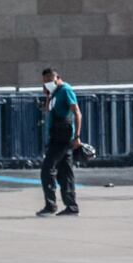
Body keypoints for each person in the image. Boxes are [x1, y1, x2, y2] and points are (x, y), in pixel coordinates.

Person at [37, 67, 82, 217]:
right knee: (65, 173)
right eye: (44, 81)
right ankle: (71, 206)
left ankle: (51, 206)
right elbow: (48, 110)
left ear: (57, 77)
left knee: (47, 169)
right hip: (57, 136)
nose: (47, 83)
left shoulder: (66, 90)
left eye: (50, 80)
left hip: (63, 138)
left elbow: (76, 112)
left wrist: (77, 136)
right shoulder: (55, 92)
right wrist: (48, 95)